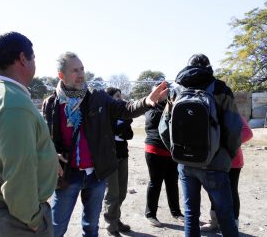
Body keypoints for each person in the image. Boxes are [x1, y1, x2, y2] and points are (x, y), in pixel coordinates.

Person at [42, 52, 168, 237]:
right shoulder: (51, 103)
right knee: (56, 228)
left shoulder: (97, 97)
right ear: (61, 75)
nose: (81, 74)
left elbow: (125, 109)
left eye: (82, 69)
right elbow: (46, 137)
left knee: (91, 227)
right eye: (75, 70)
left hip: (96, 175)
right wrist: (52, 154)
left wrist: (146, 102)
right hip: (67, 175)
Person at [0, 32, 59, 237]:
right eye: (33, 57)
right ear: (22, 58)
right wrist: (33, 218)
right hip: (17, 219)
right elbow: (19, 172)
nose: (35, 63)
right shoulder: (13, 103)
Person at [162, 53, 243, 237]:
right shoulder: (221, 88)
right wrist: (226, 154)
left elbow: (164, 128)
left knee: (191, 214)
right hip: (215, 162)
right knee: (225, 215)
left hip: (185, 163)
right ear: (208, 66)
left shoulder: (176, 90)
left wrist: (176, 151)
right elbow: (234, 128)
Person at [201, 116, 253, 232]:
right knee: (213, 192)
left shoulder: (231, 111)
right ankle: (215, 222)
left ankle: (233, 225)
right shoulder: (208, 109)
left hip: (232, 162)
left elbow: (247, 133)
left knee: (231, 192)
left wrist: (223, 143)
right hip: (212, 161)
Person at [143, 84, 184, 227]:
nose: (163, 93)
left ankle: (176, 212)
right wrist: (169, 108)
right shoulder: (150, 105)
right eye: (159, 90)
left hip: (171, 152)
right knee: (156, 183)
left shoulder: (172, 104)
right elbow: (153, 122)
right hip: (154, 150)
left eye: (165, 90)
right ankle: (150, 214)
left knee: (172, 183)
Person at [103, 87, 133, 237]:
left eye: (121, 95)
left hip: (123, 155)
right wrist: (121, 126)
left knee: (121, 192)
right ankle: (111, 227)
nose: (120, 99)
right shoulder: (105, 114)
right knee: (112, 194)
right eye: (117, 96)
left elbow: (129, 135)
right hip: (110, 157)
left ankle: (116, 219)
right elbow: (109, 132)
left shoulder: (124, 115)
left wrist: (124, 124)